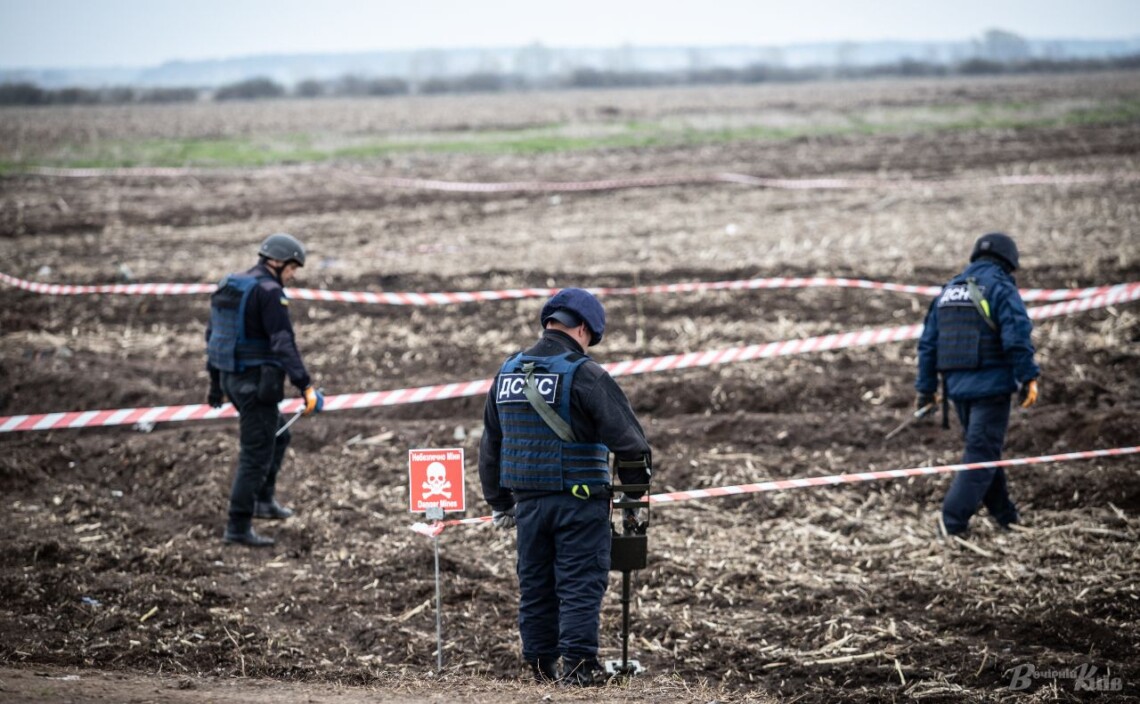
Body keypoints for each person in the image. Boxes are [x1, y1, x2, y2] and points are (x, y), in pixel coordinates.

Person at [479, 287, 652, 686]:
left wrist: (499, 502)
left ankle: (540, 668)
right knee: (579, 583)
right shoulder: (585, 374)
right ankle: (578, 668)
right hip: (580, 502)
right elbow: (631, 445)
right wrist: (633, 494)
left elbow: (491, 443)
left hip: (528, 506)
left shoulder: (507, 373)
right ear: (583, 330)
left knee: (537, 585)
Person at [915, 232, 1040, 537]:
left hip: (957, 389)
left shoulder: (948, 291)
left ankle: (1006, 517)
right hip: (991, 387)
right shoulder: (1000, 287)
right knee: (982, 454)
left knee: (983, 451)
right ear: (1009, 261)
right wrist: (1028, 376)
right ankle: (952, 522)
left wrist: (926, 390)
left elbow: (928, 345)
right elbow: (1016, 335)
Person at [206, 233, 324, 548]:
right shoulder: (269, 292)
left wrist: (215, 384)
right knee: (255, 453)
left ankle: (263, 500)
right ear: (276, 262)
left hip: (232, 378)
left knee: (278, 434)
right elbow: (282, 342)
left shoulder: (232, 284)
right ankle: (238, 526)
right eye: (292, 267)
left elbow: (214, 335)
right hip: (256, 383)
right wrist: (305, 385)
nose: (293, 274)